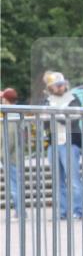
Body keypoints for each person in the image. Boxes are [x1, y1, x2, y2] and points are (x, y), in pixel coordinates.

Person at [43, 72, 83, 220]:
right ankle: (62, 212)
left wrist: (54, 115)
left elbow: (73, 119)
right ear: (51, 87)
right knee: (57, 181)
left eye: (61, 84)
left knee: (73, 180)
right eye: (57, 85)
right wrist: (53, 117)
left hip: (70, 142)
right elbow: (45, 121)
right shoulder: (48, 100)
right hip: (53, 142)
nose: (60, 87)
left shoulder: (73, 98)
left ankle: (77, 211)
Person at [1, 88, 24, 216]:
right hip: (13, 155)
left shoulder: (11, 114)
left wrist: (2, 156)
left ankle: (20, 212)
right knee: (15, 185)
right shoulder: (14, 112)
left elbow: (9, 138)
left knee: (14, 186)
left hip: (11, 157)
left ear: (6, 99)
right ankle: (19, 211)